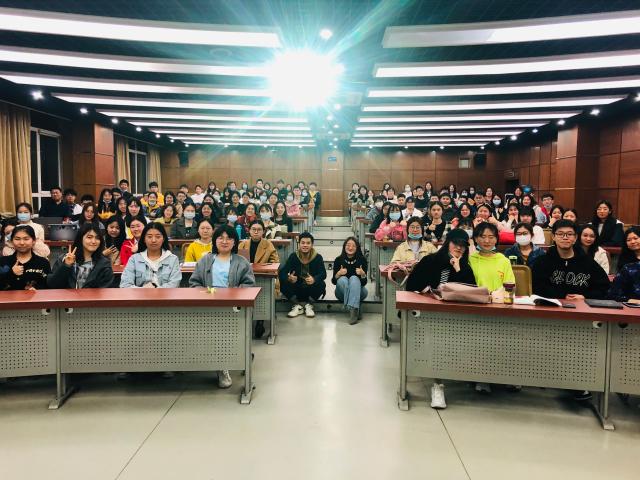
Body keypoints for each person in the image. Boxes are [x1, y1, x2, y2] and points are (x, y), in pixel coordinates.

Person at [189, 224, 256, 388]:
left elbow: (249, 285)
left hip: (234, 307)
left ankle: (232, 361)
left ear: (235, 242)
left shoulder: (242, 262)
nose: (225, 241)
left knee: (230, 333)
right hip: (209, 306)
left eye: (229, 238)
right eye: (220, 238)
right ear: (215, 240)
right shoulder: (205, 260)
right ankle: (221, 366)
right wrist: (206, 293)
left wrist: (233, 295)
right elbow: (194, 283)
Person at [532, 220, 610, 300]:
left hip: (581, 305)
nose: (565, 237)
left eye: (569, 234)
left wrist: (585, 296)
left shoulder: (588, 262)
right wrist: (563, 296)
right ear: (553, 237)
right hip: (551, 305)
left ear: (575, 237)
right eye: (560, 234)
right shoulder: (542, 262)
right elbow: (537, 287)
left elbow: (604, 287)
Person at [238, 220, 280, 338]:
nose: (256, 232)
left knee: (263, 291)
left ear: (263, 231)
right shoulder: (242, 244)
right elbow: (236, 262)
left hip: (263, 276)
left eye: (259, 230)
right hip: (245, 277)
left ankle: (260, 320)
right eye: (254, 229)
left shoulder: (268, 245)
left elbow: (275, 262)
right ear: (249, 231)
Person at [47, 224, 114, 289]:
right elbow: (52, 285)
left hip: (92, 297)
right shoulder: (65, 258)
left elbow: (106, 290)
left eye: (97, 238)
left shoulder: (104, 263)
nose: (94, 241)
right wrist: (66, 266)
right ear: (80, 239)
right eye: (89, 237)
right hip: (67, 297)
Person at [279, 232, 326, 319]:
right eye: (303, 243)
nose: (305, 245)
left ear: (312, 245)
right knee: (282, 282)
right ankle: (297, 306)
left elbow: (323, 274)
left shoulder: (318, 257)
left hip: (311, 290)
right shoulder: (293, 256)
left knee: (322, 284)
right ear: (299, 244)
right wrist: (289, 278)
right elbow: (282, 272)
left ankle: (309, 305)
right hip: (296, 289)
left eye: (308, 243)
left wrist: (314, 279)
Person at [120, 222, 181, 289]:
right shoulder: (134, 259)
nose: (153, 240)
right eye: (149, 237)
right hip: (140, 295)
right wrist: (143, 290)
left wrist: (155, 290)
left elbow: (174, 284)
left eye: (158, 237)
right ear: (144, 239)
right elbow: (125, 285)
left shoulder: (173, 259)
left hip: (165, 295)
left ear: (163, 239)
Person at [468, 222, 515, 292]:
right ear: (475, 239)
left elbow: (510, 287)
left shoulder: (504, 260)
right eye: (483, 237)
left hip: (499, 298)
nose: (487, 241)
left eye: (491, 237)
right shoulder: (470, 260)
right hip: (476, 298)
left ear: (496, 239)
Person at [0, 225, 50, 290]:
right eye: (17, 239)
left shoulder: (43, 262)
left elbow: (48, 286)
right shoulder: (3, 261)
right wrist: (11, 273)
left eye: (26, 239)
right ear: (12, 241)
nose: (22, 243)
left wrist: (37, 290)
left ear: (33, 241)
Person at [332, 237, 368, 324]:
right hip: (341, 293)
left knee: (354, 279)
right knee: (343, 280)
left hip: (360, 292)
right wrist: (338, 274)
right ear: (344, 246)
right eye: (348, 245)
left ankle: (353, 311)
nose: (350, 248)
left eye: (353, 246)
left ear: (357, 248)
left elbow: (364, 283)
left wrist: (363, 274)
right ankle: (356, 306)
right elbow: (334, 281)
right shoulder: (338, 260)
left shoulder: (362, 260)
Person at [608, 227, 640, 301]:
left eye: (635, 238)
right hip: (631, 302)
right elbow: (614, 292)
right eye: (628, 240)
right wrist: (629, 300)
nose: (632, 242)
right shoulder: (625, 263)